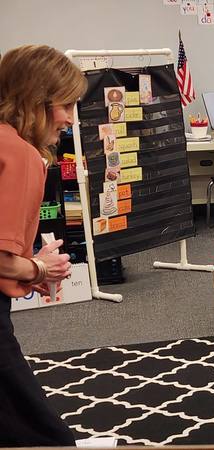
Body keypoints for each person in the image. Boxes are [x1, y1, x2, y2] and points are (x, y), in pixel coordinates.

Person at [0, 44, 85, 446]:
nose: (68, 118)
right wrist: (38, 269)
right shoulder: (19, 154)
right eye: (64, 104)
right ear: (37, 100)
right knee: (42, 436)